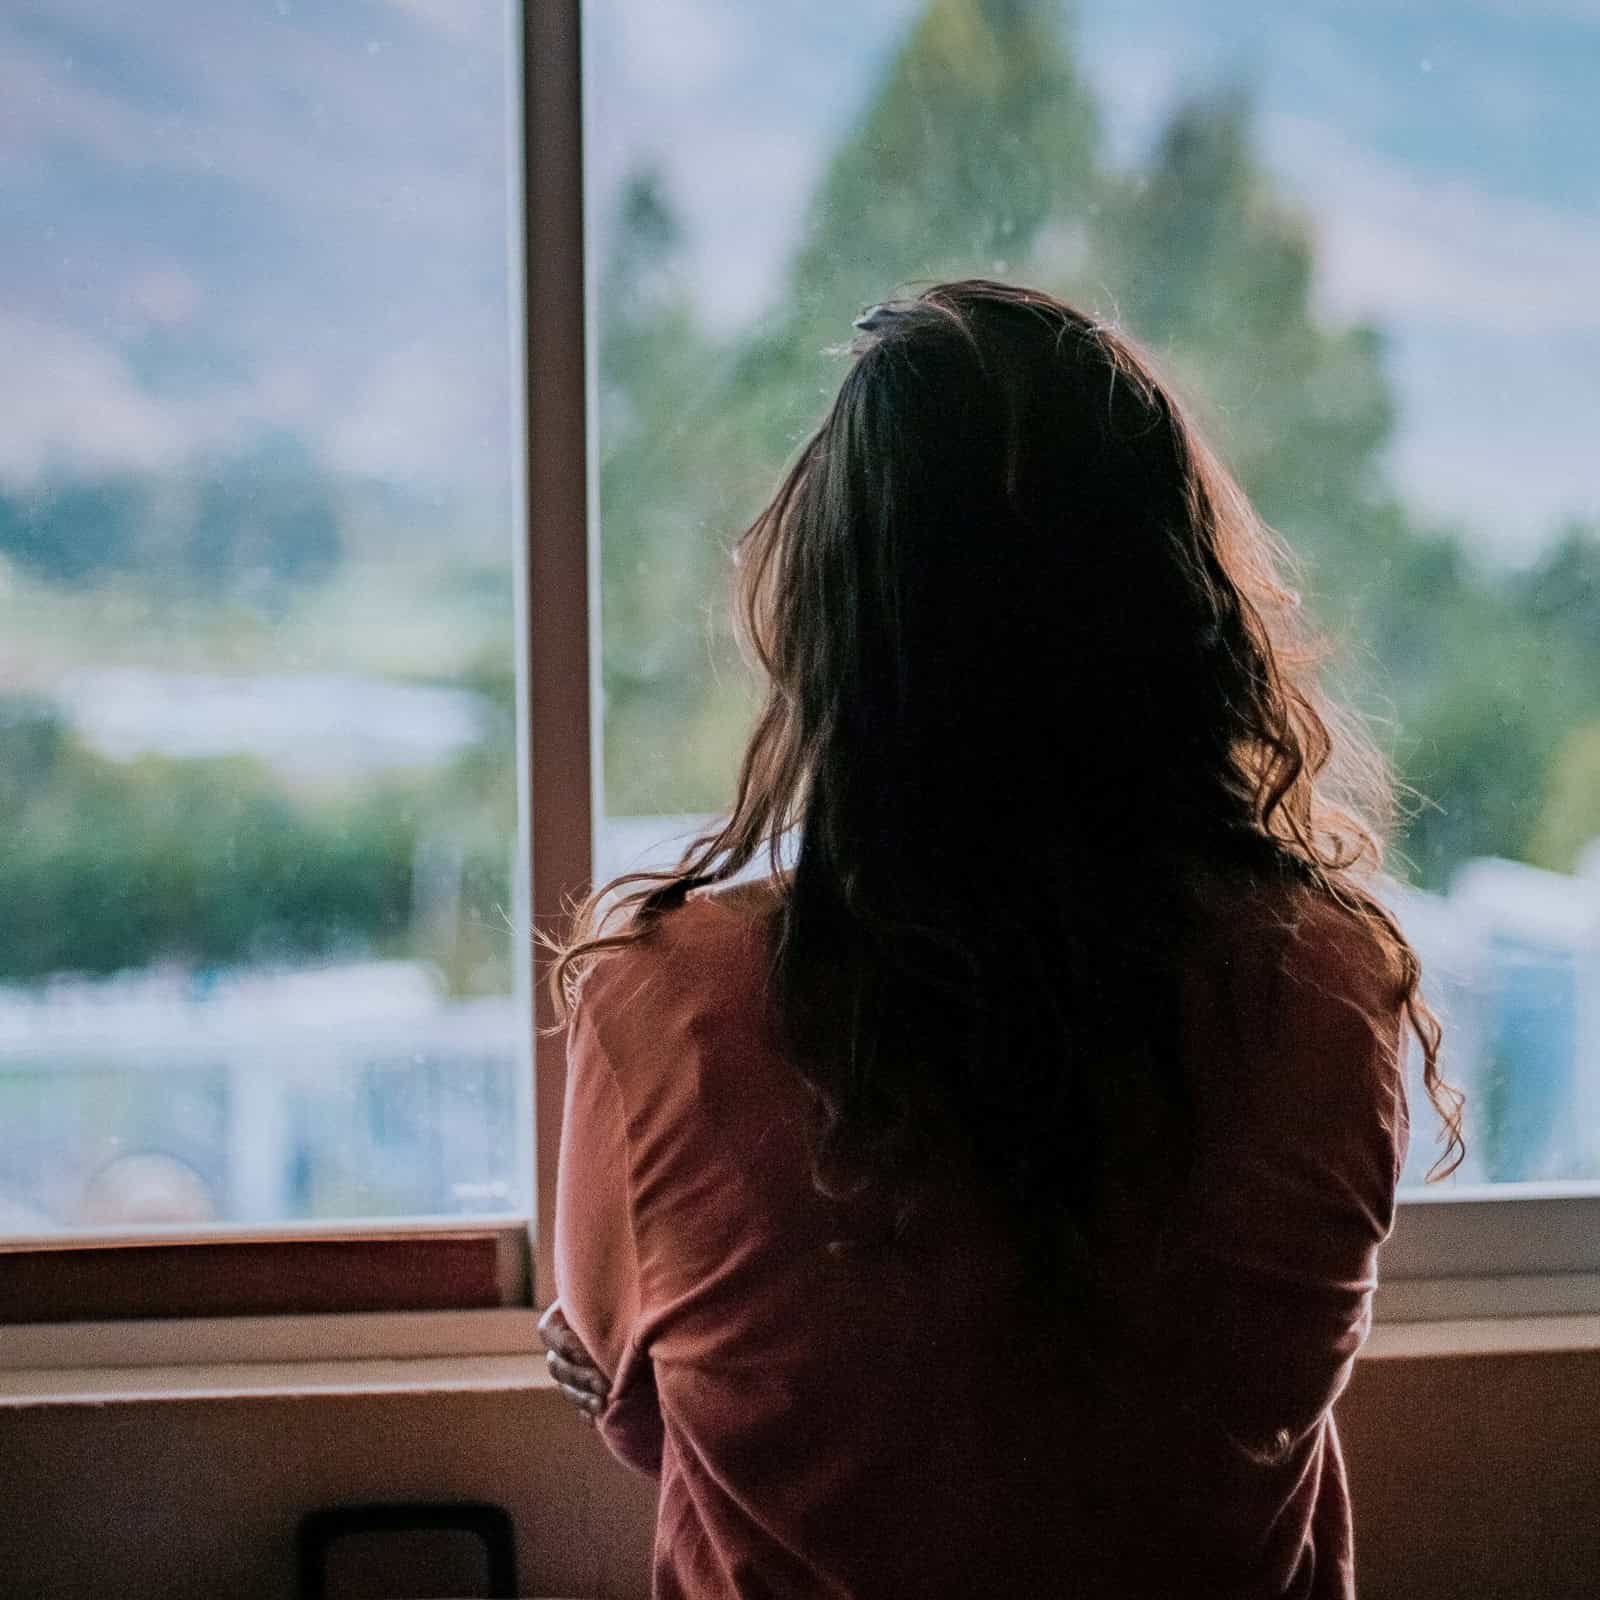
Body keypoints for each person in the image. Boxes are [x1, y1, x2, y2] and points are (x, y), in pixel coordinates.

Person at [539, 280, 1464, 1599]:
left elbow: (657, 1419)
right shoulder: (1329, 986)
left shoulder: (670, 1008)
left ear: (836, 629)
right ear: (1178, 610)